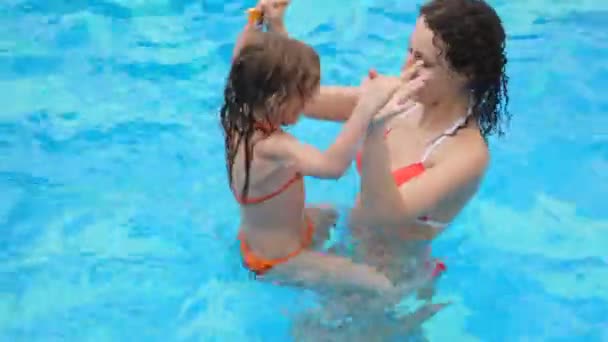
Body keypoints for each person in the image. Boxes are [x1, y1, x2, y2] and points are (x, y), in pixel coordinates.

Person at [297, 0, 510, 338]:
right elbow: (305, 101)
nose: (406, 68)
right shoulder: (406, 99)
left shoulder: (466, 153)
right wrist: (272, 36)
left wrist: (373, 129)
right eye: (410, 51)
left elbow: (382, 217)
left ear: (464, 74)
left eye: (423, 62)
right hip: (349, 249)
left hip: (390, 282)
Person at [223, 0, 420, 298]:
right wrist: (365, 107)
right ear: (277, 100)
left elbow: (245, 56)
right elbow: (332, 167)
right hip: (278, 260)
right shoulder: (273, 147)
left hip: (274, 233)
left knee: (339, 215)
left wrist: (272, 26)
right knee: (379, 284)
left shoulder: (240, 110)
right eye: (303, 99)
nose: (308, 105)